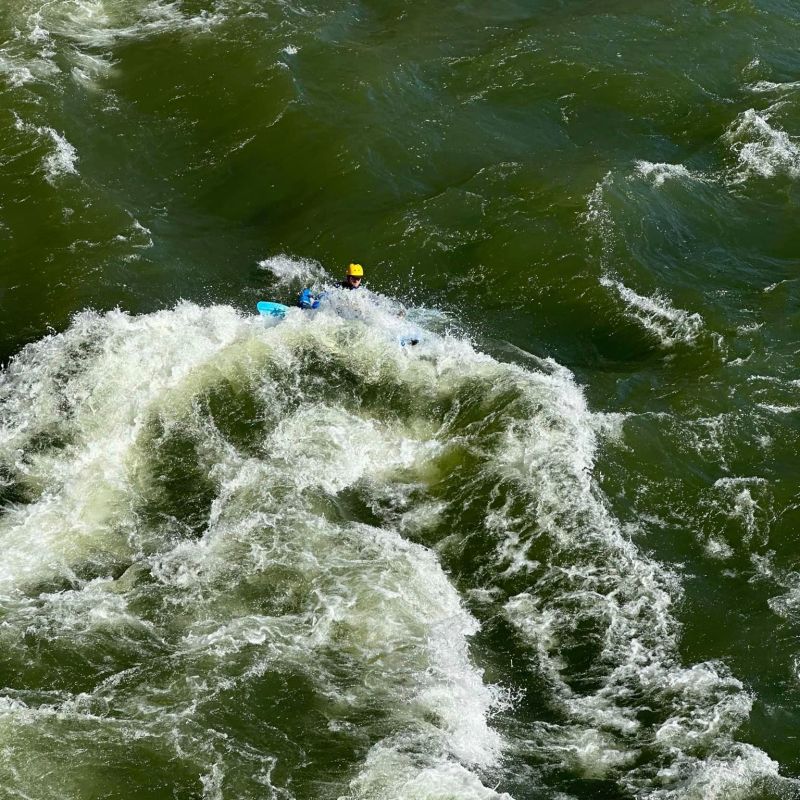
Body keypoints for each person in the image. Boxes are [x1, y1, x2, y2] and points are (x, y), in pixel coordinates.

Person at [297, 263, 364, 308]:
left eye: (358, 278)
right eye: (353, 278)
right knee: (310, 296)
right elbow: (325, 295)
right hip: (326, 301)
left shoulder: (362, 291)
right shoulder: (339, 286)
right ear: (348, 277)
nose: (356, 281)